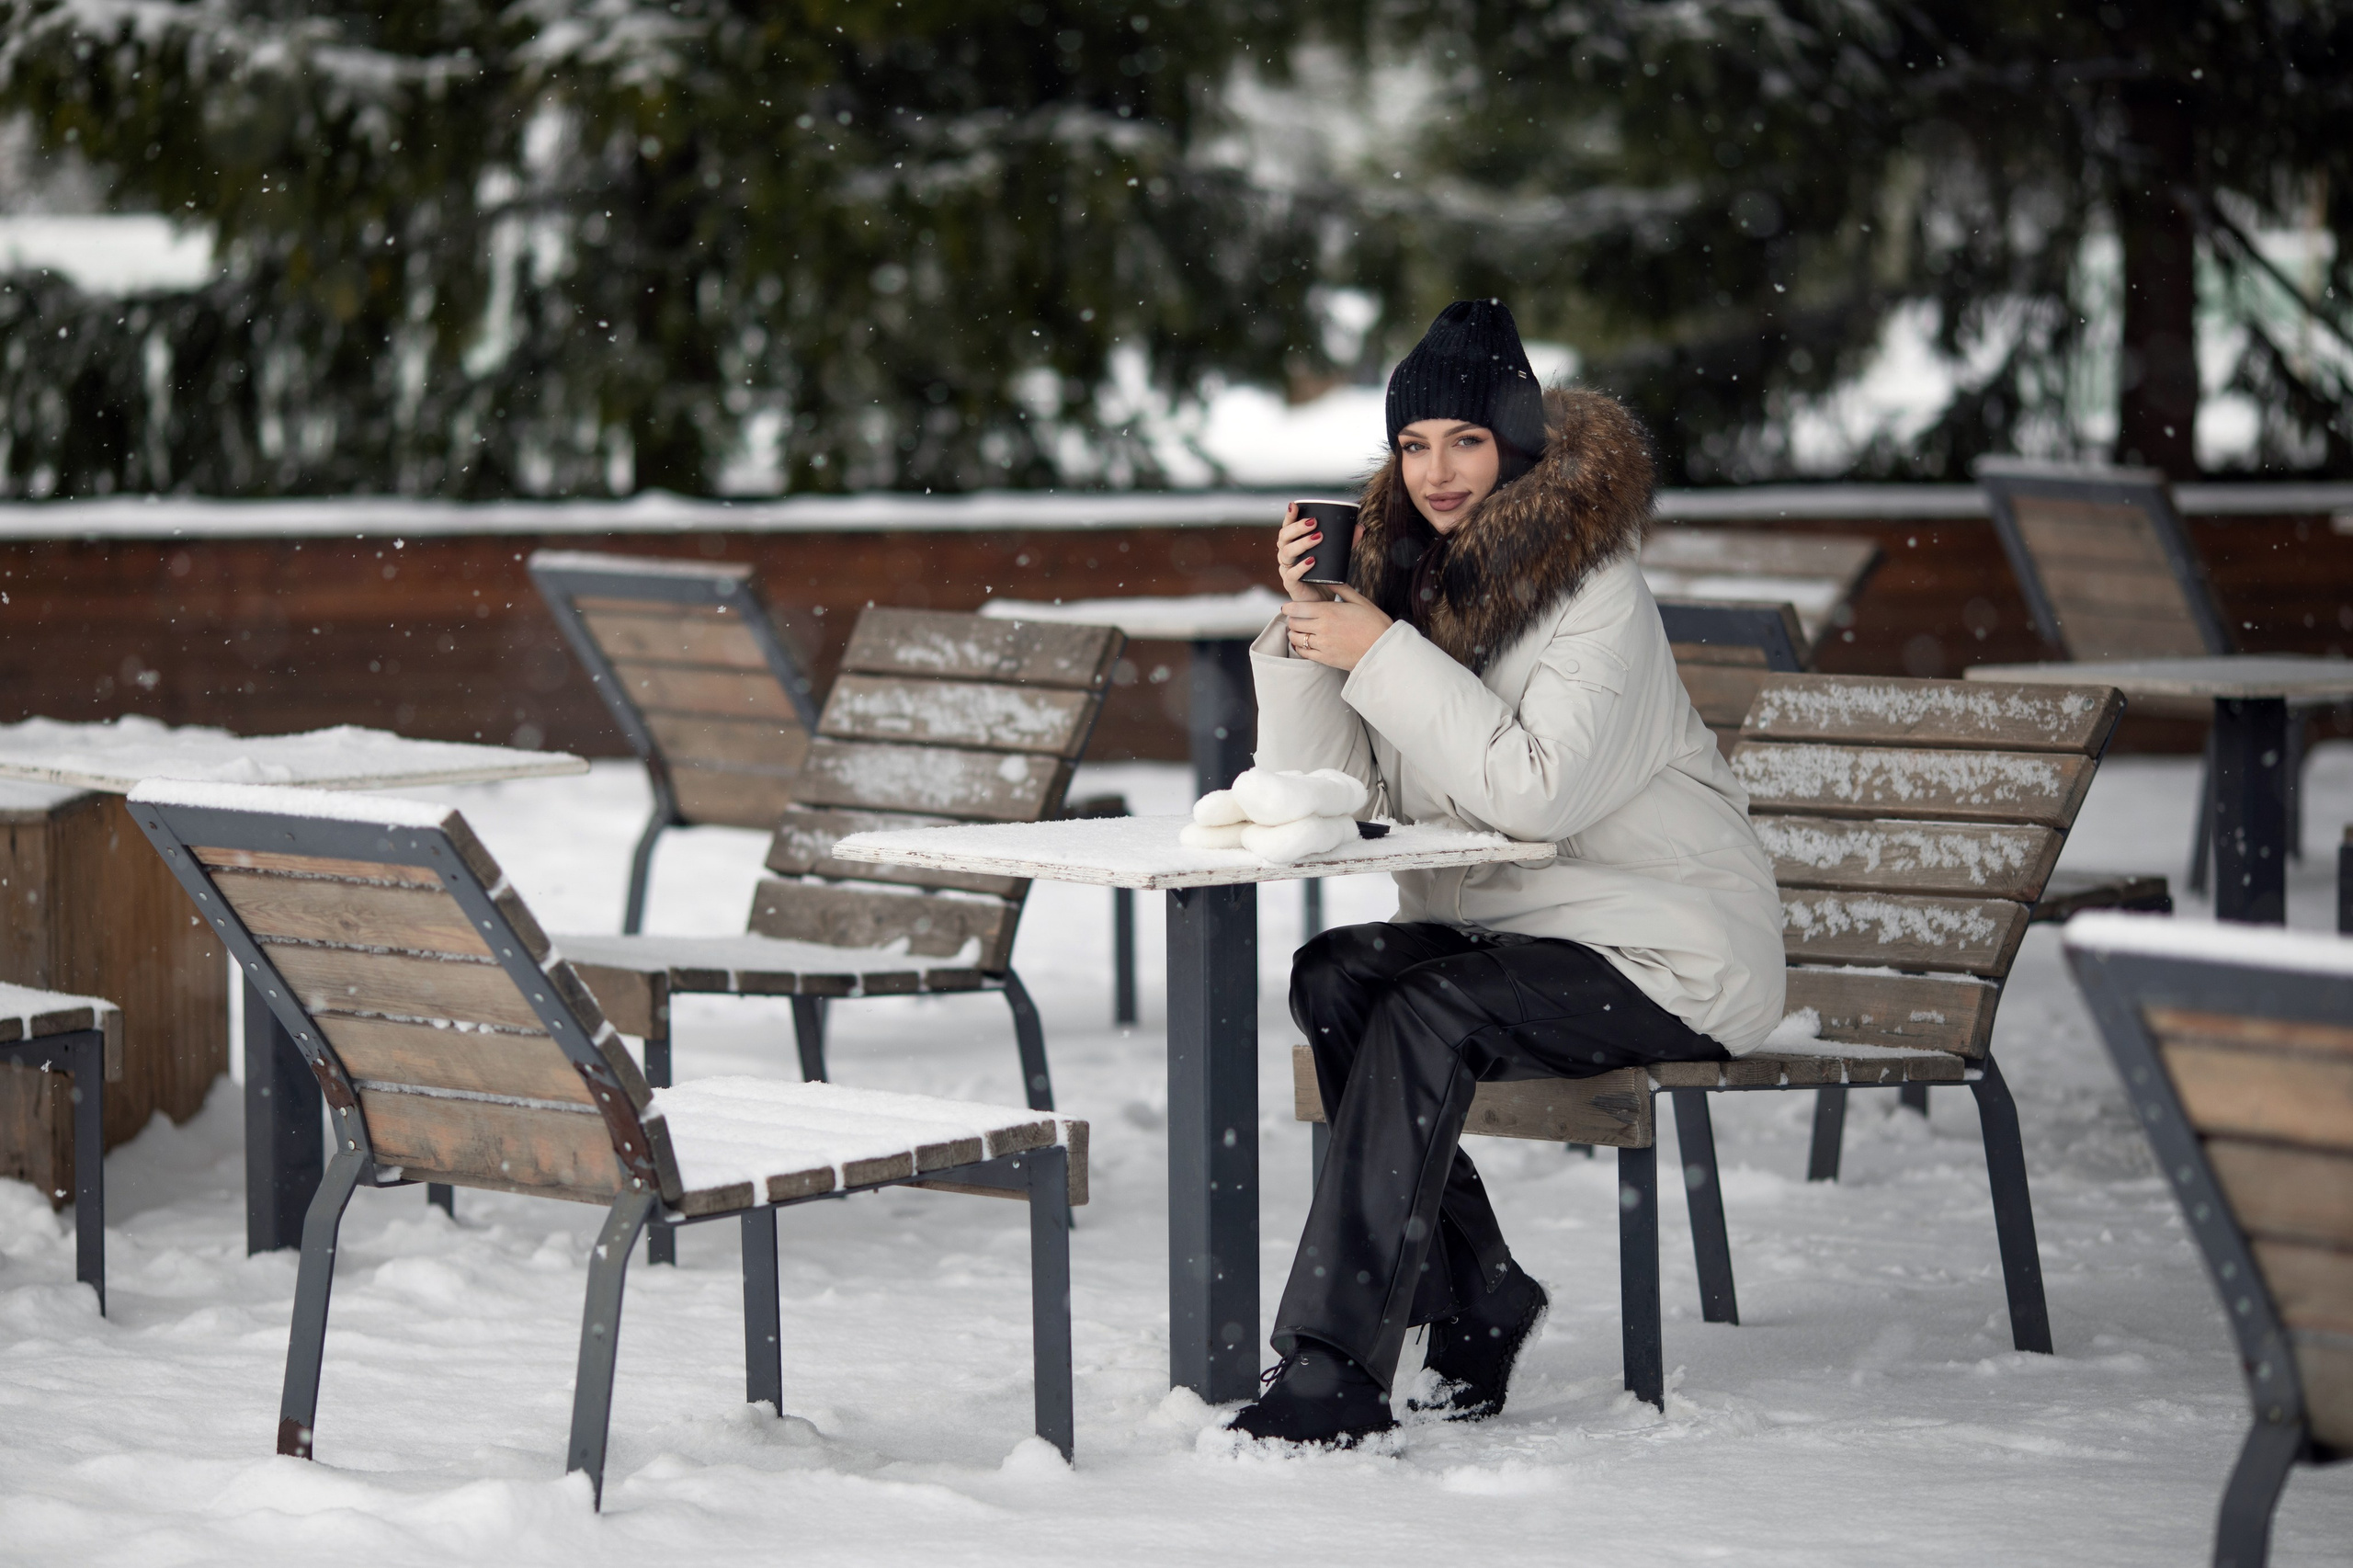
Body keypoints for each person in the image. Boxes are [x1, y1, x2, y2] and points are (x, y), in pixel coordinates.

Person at [1226, 300, 1787, 1447]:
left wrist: (1383, 650)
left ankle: (1332, 1367)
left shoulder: (1597, 594)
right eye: (1412, 443)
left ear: (1517, 446)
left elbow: (1537, 794)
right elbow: (1331, 793)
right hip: (1511, 934)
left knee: (1425, 1006)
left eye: (1466, 440)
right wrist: (1310, 628)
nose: (1435, 471)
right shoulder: (1407, 584)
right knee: (1337, 972)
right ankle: (1475, 1289)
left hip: (1666, 947)